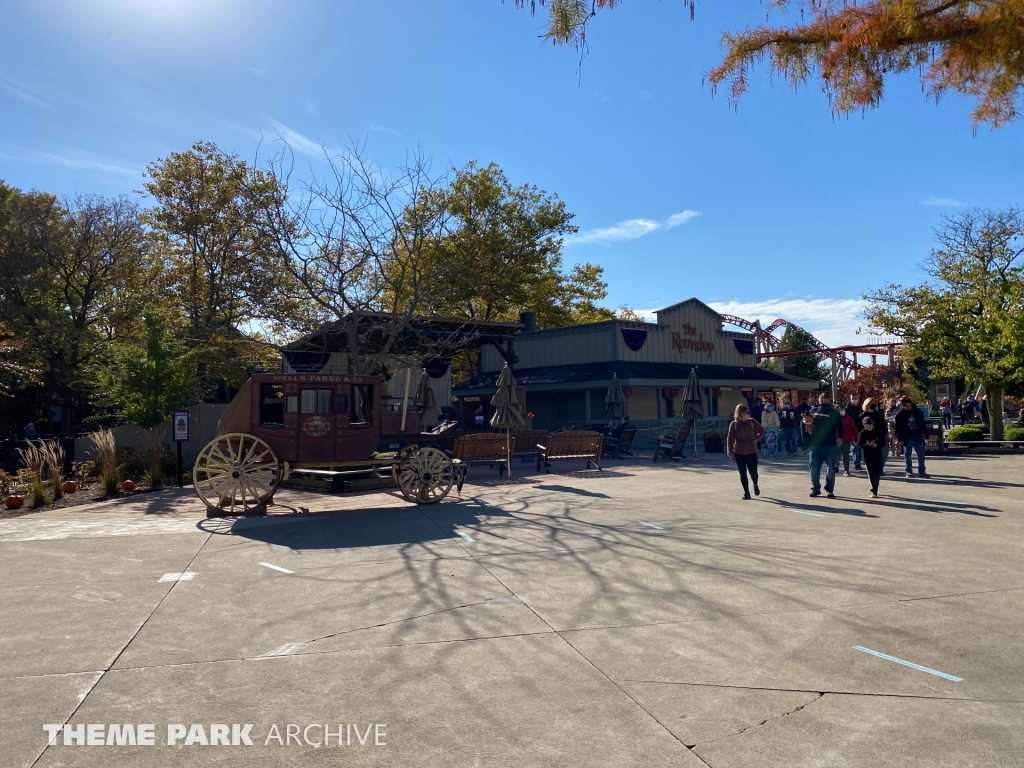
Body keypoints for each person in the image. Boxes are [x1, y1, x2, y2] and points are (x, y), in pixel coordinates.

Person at [806, 392, 843, 498]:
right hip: (815, 445)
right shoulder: (812, 411)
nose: (824, 404)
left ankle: (829, 489)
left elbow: (840, 427)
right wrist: (806, 428)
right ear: (818, 401)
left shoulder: (835, 413)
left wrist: (840, 437)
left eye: (826, 402)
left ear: (829, 402)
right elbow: (805, 423)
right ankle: (815, 489)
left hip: (830, 445)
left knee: (831, 468)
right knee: (814, 467)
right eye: (822, 402)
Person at [727, 404, 765, 500]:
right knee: (743, 473)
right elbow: (730, 439)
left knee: (754, 473)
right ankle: (746, 493)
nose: (748, 414)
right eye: (746, 412)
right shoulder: (734, 424)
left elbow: (762, 430)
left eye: (748, 412)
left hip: (751, 451)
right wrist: (730, 451)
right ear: (740, 413)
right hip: (739, 452)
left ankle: (755, 484)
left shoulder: (752, 422)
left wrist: (757, 438)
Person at [895, 395, 929, 478]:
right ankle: (909, 471)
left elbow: (923, 424)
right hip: (907, 438)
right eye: (903, 404)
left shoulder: (918, 412)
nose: (904, 405)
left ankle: (922, 471)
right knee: (907, 455)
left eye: (906, 403)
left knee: (921, 454)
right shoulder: (900, 414)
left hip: (918, 436)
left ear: (910, 403)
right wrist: (899, 439)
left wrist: (926, 435)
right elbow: (898, 428)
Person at [858, 414, 887, 497]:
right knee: (870, 472)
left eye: (870, 424)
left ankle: (876, 485)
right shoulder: (862, 433)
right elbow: (860, 445)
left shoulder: (878, 432)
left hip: (877, 454)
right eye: (866, 424)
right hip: (867, 455)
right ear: (864, 424)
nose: (868, 426)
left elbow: (883, 443)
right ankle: (874, 489)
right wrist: (867, 445)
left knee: (878, 471)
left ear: (873, 423)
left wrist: (876, 445)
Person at [839, 407, 859, 477]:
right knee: (836, 455)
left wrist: (856, 438)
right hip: (837, 440)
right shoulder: (835, 418)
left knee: (846, 455)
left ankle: (846, 470)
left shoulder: (848, 418)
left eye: (843, 410)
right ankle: (835, 466)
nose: (842, 411)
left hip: (847, 440)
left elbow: (853, 428)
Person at [845, 395, 864, 470]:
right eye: (853, 398)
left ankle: (861, 460)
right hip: (852, 430)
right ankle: (857, 463)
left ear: (858, 399)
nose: (854, 400)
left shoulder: (862, 408)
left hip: (861, 429)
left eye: (855, 398)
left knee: (861, 447)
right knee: (854, 447)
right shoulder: (848, 408)